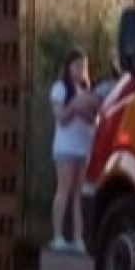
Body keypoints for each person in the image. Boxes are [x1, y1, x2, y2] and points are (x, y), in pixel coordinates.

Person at [49, 48, 103, 254]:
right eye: (77, 65)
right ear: (68, 67)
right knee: (64, 189)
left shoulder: (87, 92)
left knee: (78, 195)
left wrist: (87, 108)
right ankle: (57, 236)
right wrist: (76, 107)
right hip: (65, 148)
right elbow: (61, 117)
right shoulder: (60, 89)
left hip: (83, 149)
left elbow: (94, 119)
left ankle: (78, 238)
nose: (81, 70)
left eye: (84, 66)